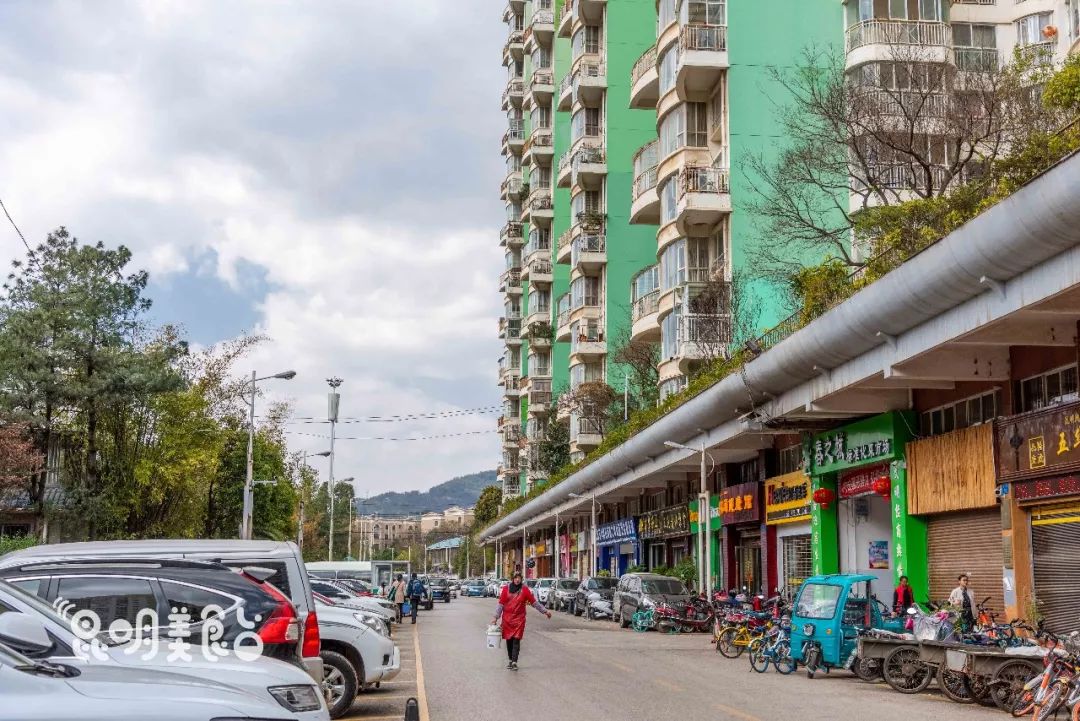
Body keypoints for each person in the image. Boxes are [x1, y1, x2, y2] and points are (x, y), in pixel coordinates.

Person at [490, 571, 551, 670]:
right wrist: (495, 617)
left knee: (516, 640)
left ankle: (514, 662)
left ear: (521, 579)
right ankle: (510, 660)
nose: (517, 580)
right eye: (515, 578)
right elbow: (500, 605)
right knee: (509, 640)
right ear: (512, 579)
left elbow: (534, 602)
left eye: (519, 578)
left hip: (519, 620)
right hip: (507, 620)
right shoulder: (506, 589)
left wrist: (545, 611)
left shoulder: (525, 590)